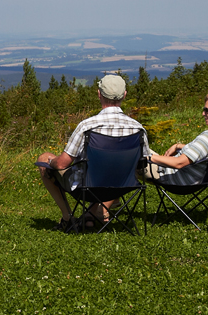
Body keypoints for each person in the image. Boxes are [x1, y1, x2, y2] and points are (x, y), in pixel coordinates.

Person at [36, 74, 149, 231]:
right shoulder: (138, 128)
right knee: (113, 169)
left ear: (99, 94)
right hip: (123, 185)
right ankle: (91, 214)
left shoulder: (87, 126)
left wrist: (50, 162)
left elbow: (62, 163)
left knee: (44, 158)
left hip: (87, 187)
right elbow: (142, 163)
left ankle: (68, 218)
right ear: (124, 95)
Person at [141, 92, 208, 186]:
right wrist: (178, 146)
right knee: (137, 149)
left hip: (169, 175)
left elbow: (178, 163)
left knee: (131, 153)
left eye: (207, 110)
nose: (203, 113)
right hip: (192, 179)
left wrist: (148, 158)